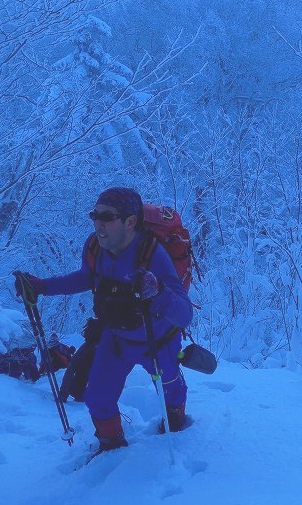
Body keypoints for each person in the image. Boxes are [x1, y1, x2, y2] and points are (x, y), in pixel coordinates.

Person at [15, 187, 193, 451]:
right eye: (94, 215)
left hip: (158, 342)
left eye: (106, 217)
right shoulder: (95, 247)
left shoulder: (153, 255)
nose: (98, 223)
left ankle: (176, 422)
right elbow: (87, 277)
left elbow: (184, 314)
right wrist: (42, 287)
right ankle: (111, 447)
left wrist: (157, 292)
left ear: (130, 221)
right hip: (117, 338)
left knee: (171, 389)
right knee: (97, 397)